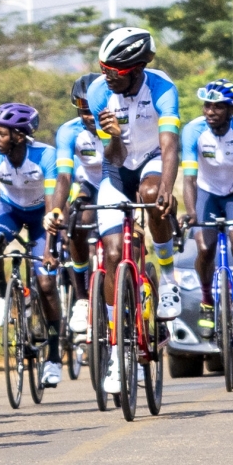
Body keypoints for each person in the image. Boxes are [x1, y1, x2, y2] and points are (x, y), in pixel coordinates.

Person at [85, 27, 181, 396]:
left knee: (153, 193)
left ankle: (169, 279)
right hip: (117, 169)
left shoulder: (162, 89)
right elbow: (115, 159)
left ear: (137, 68)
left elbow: (170, 146)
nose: (106, 75)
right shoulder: (98, 92)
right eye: (103, 67)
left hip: (155, 160)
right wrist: (111, 136)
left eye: (115, 71)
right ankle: (115, 350)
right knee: (111, 254)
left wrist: (168, 190)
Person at [0, 103, 65, 387]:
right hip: (10, 210)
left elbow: (54, 203)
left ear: (18, 136)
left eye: (1, 134)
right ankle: (5, 294)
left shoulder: (45, 156)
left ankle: (53, 357)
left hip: (43, 213)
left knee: (45, 284)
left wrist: (51, 248)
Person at [180, 79, 233, 352]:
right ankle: (207, 302)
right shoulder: (193, 130)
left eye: (218, 107)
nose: (210, 111)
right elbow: (189, 179)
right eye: (207, 105)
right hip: (206, 192)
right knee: (205, 248)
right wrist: (191, 213)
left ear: (231, 109)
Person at [46, 73, 103, 335]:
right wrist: (56, 210)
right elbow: (64, 177)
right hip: (90, 184)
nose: (90, 116)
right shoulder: (69, 132)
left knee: (131, 239)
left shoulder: (121, 124)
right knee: (76, 224)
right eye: (83, 110)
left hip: (124, 182)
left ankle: (136, 288)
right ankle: (82, 297)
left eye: (95, 109)